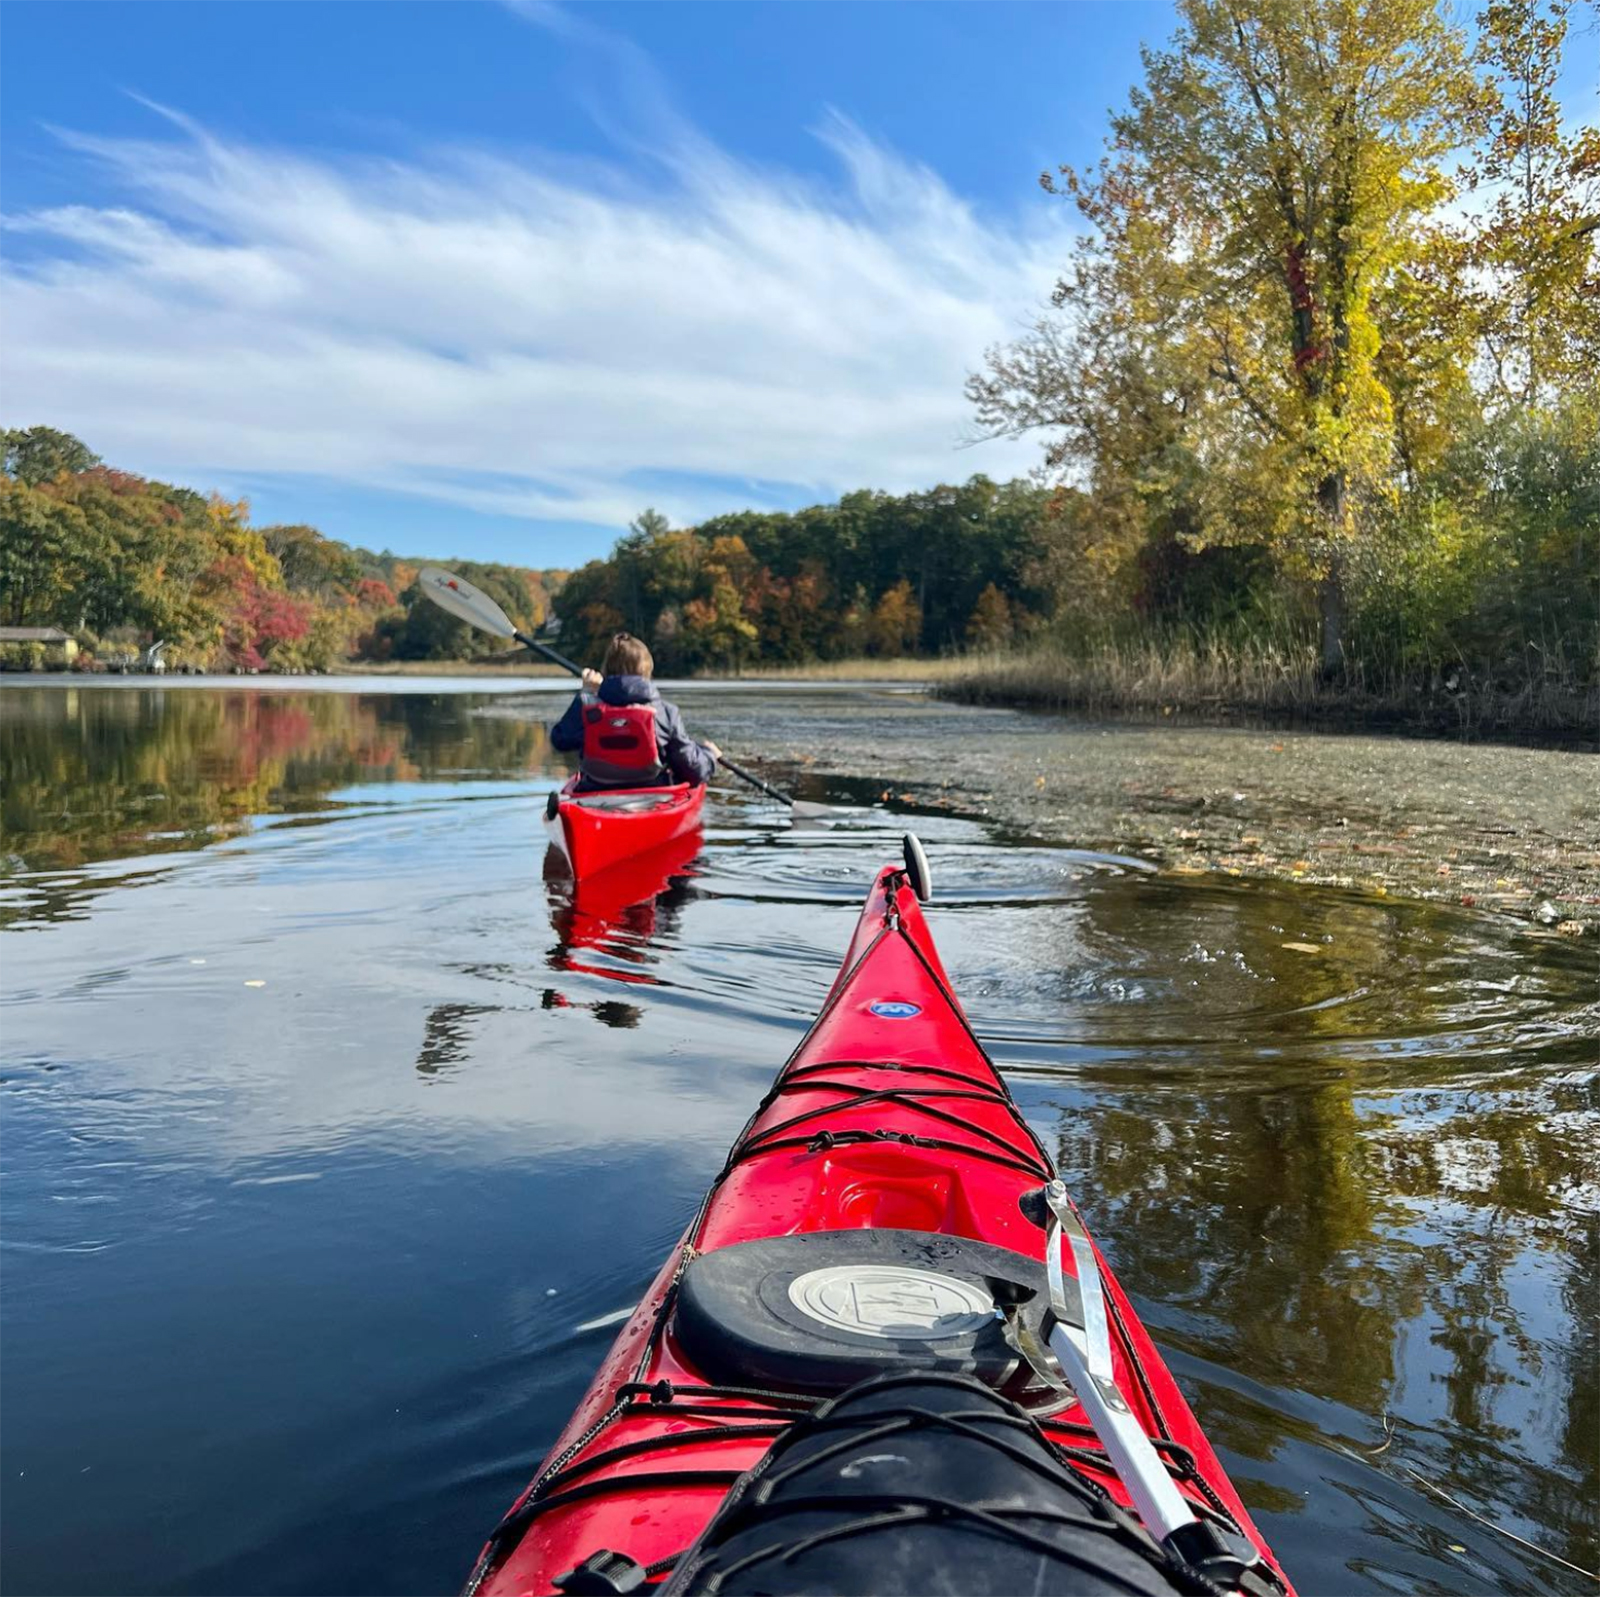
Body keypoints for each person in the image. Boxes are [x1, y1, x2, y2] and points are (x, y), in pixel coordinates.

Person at [551, 632, 721, 791]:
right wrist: (710, 755)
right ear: (646, 671)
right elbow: (692, 770)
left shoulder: (588, 707)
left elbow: (560, 740)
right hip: (653, 793)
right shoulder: (665, 712)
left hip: (595, 790)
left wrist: (586, 693)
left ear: (606, 670)